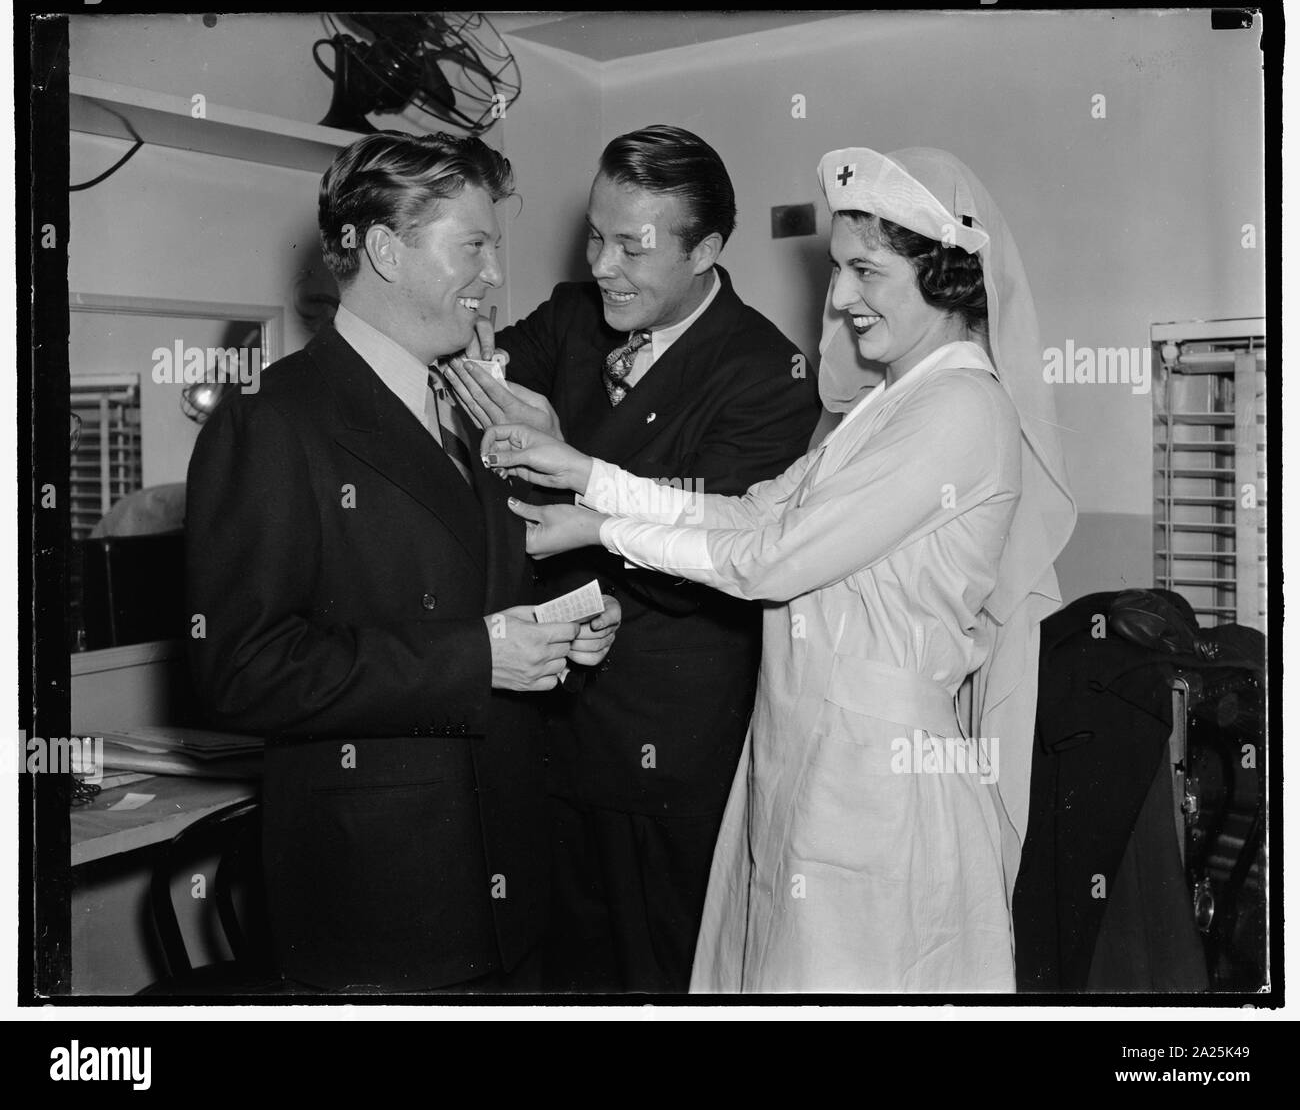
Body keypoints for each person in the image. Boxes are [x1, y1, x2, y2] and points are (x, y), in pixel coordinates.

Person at [481, 146, 1077, 992]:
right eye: (838, 269)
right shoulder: (886, 405)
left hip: (879, 778)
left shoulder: (963, 409)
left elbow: (766, 560)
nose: (837, 297)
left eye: (864, 271)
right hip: (803, 750)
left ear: (943, 274)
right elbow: (755, 510)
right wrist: (587, 479)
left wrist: (601, 528)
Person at [185, 131, 619, 993]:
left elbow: (496, 580)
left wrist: (574, 618)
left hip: (515, 889)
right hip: (383, 906)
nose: (496, 275)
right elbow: (239, 668)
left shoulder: (473, 404)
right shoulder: (271, 421)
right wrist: (478, 656)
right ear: (385, 250)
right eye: (475, 246)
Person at [443, 126, 820, 992]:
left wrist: (567, 468)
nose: (602, 263)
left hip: (664, 754)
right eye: (595, 235)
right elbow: (483, 385)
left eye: (631, 246)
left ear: (708, 251)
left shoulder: (765, 371)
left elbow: (711, 562)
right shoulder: (577, 313)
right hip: (543, 728)